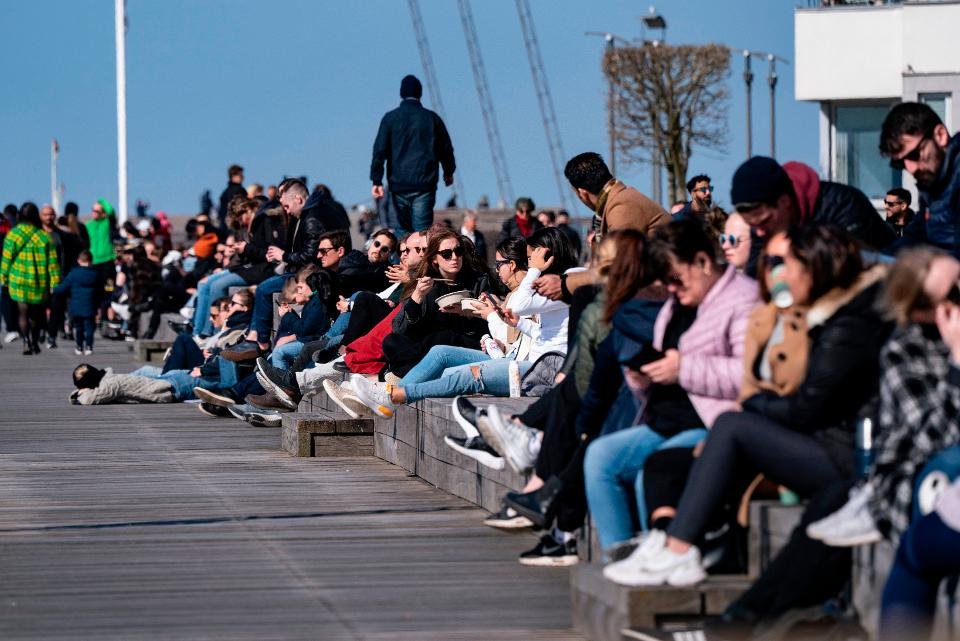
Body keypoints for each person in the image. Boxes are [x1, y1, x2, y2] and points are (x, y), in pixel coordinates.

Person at [604, 226, 889, 599]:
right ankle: (664, 545)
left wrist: (741, 401)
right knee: (655, 462)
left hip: (843, 453)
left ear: (814, 266)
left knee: (728, 428)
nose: (773, 272)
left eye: (781, 262)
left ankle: (679, 550)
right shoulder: (783, 316)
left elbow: (801, 401)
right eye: (770, 262)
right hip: (805, 436)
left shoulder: (840, 324)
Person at [582, 218, 758, 551]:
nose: (672, 289)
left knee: (653, 469)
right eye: (667, 281)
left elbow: (749, 376)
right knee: (599, 457)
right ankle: (618, 557)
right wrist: (642, 381)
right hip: (666, 419)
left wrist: (684, 368)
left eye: (676, 279)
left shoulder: (742, 300)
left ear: (703, 262)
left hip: (712, 423)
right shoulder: (678, 303)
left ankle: (660, 559)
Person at [806, 247, 960, 548]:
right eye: (954, 291)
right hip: (918, 475)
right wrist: (958, 364)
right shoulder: (907, 353)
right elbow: (938, 442)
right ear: (927, 313)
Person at [348, 228, 578, 417]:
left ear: (548, 255)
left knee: (459, 373)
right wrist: (516, 323)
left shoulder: (567, 281)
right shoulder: (426, 283)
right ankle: (388, 394)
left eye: (532, 258)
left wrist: (533, 272)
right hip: (522, 359)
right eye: (447, 254)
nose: (455, 257)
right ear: (435, 260)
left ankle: (392, 395)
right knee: (434, 350)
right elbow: (544, 331)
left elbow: (522, 306)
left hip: (539, 369)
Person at [531, 152, 668, 301]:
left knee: (585, 302)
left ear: (582, 193)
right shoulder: (619, 201)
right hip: (653, 289)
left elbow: (617, 267)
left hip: (658, 294)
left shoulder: (621, 206)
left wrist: (564, 284)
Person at [731, 156, 896, 275]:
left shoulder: (844, 206)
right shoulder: (762, 225)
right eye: (751, 225)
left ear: (784, 202)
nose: (759, 233)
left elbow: (854, 273)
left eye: (764, 221)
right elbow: (755, 279)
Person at [370, 74, 456, 235]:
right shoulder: (432, 119)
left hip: (398, 184)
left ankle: (401, 260)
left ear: (401, 93)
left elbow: (379, 150)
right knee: (422, 233)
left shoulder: (390, 119)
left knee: (401, 231)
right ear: (420, 94)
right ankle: (422, 259)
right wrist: (448, 172)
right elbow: (446, 149)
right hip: (424, 184)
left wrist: (377, 180)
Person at [880, 102, 960, 255]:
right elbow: (916, 236)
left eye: (914, 155)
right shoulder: (934, 184)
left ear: (940, 135)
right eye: (900, 163)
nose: (911, 169)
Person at [0, 203, 61, 355]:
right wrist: (55, 281)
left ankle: (26, 341)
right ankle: (34, 342)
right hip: (39, 281)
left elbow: (6, 258)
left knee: (23, 312)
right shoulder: (43, 236)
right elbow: (53, 262)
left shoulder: (13, 235)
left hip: (18, 280)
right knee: (35, 313)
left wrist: (4, 277)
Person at [53, 250, 101, 355]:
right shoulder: (95, 275)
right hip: (90, 306)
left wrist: (53, 289)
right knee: (89, 328)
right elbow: (100, 290)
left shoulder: (73, 274)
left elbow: (63, 288)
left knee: (78, 328)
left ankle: (79, 346)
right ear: (91, 261)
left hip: (76, 306)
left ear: (79, 261)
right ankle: (89, 346)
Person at [85, 200, 117, 285]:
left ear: (102, 213)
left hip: (107, 260)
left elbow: (111, 211)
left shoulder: (107, 223)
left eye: (96, 211)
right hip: (93, 261)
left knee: (108, 289)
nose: (93, 212)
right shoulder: (88, 226)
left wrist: (100, 201)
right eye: (92, 210)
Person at [218, 164, 246, 230]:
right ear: (233, 176)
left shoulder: (226, 192)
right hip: (234, 226)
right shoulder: (237, 190)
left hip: (226, 226)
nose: (243, 177)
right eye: (240, 175)